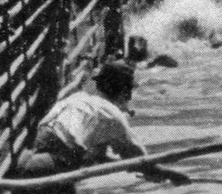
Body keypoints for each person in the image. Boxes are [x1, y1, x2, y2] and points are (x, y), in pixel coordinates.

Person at [15, 60, 149, 177]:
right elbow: (140, 158)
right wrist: (164, 173)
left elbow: (97, 156)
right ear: (124, 93)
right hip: (61, 152)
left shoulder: (78, 97)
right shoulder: (113, 114)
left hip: (40, 141)